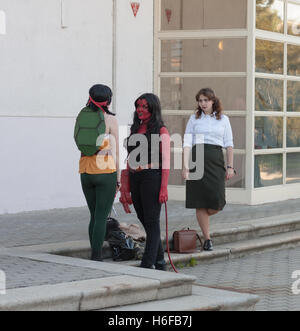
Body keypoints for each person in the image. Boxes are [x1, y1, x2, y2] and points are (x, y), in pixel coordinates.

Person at [119, 93, 170, 270]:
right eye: (138, 106)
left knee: (152, 220)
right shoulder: (134, 129)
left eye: (144, 106)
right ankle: (160, 261)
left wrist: (163, 188)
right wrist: (124, 185)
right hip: (135, 178)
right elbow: (128, 158)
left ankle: (147, 263)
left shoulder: (161, 131)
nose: (140, 110)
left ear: (152, 109)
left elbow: (166, 161)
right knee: (144, 218)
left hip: (152, 178)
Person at [182, 88, 235, 251]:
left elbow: (229, 144)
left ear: (213, 101)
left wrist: (230, 166)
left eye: (206, 100)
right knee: (200, 201)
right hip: (197, 159)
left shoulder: (223, 119)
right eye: (200, 100)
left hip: (216, 160)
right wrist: (185, 167)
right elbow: (186, 143)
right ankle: (207, 239)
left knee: (217, 201)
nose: (203, 103)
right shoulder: (194, 118)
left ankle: (204, 224)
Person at [78, 84, 120, 261]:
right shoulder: (110, 120)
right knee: (102, 216)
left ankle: (94, 252)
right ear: (108, 101)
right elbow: (115, 152)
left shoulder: (81, 117)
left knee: (94, 215)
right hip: (105, 172)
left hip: (85, 170)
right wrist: (118, 179)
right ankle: (96, 256)